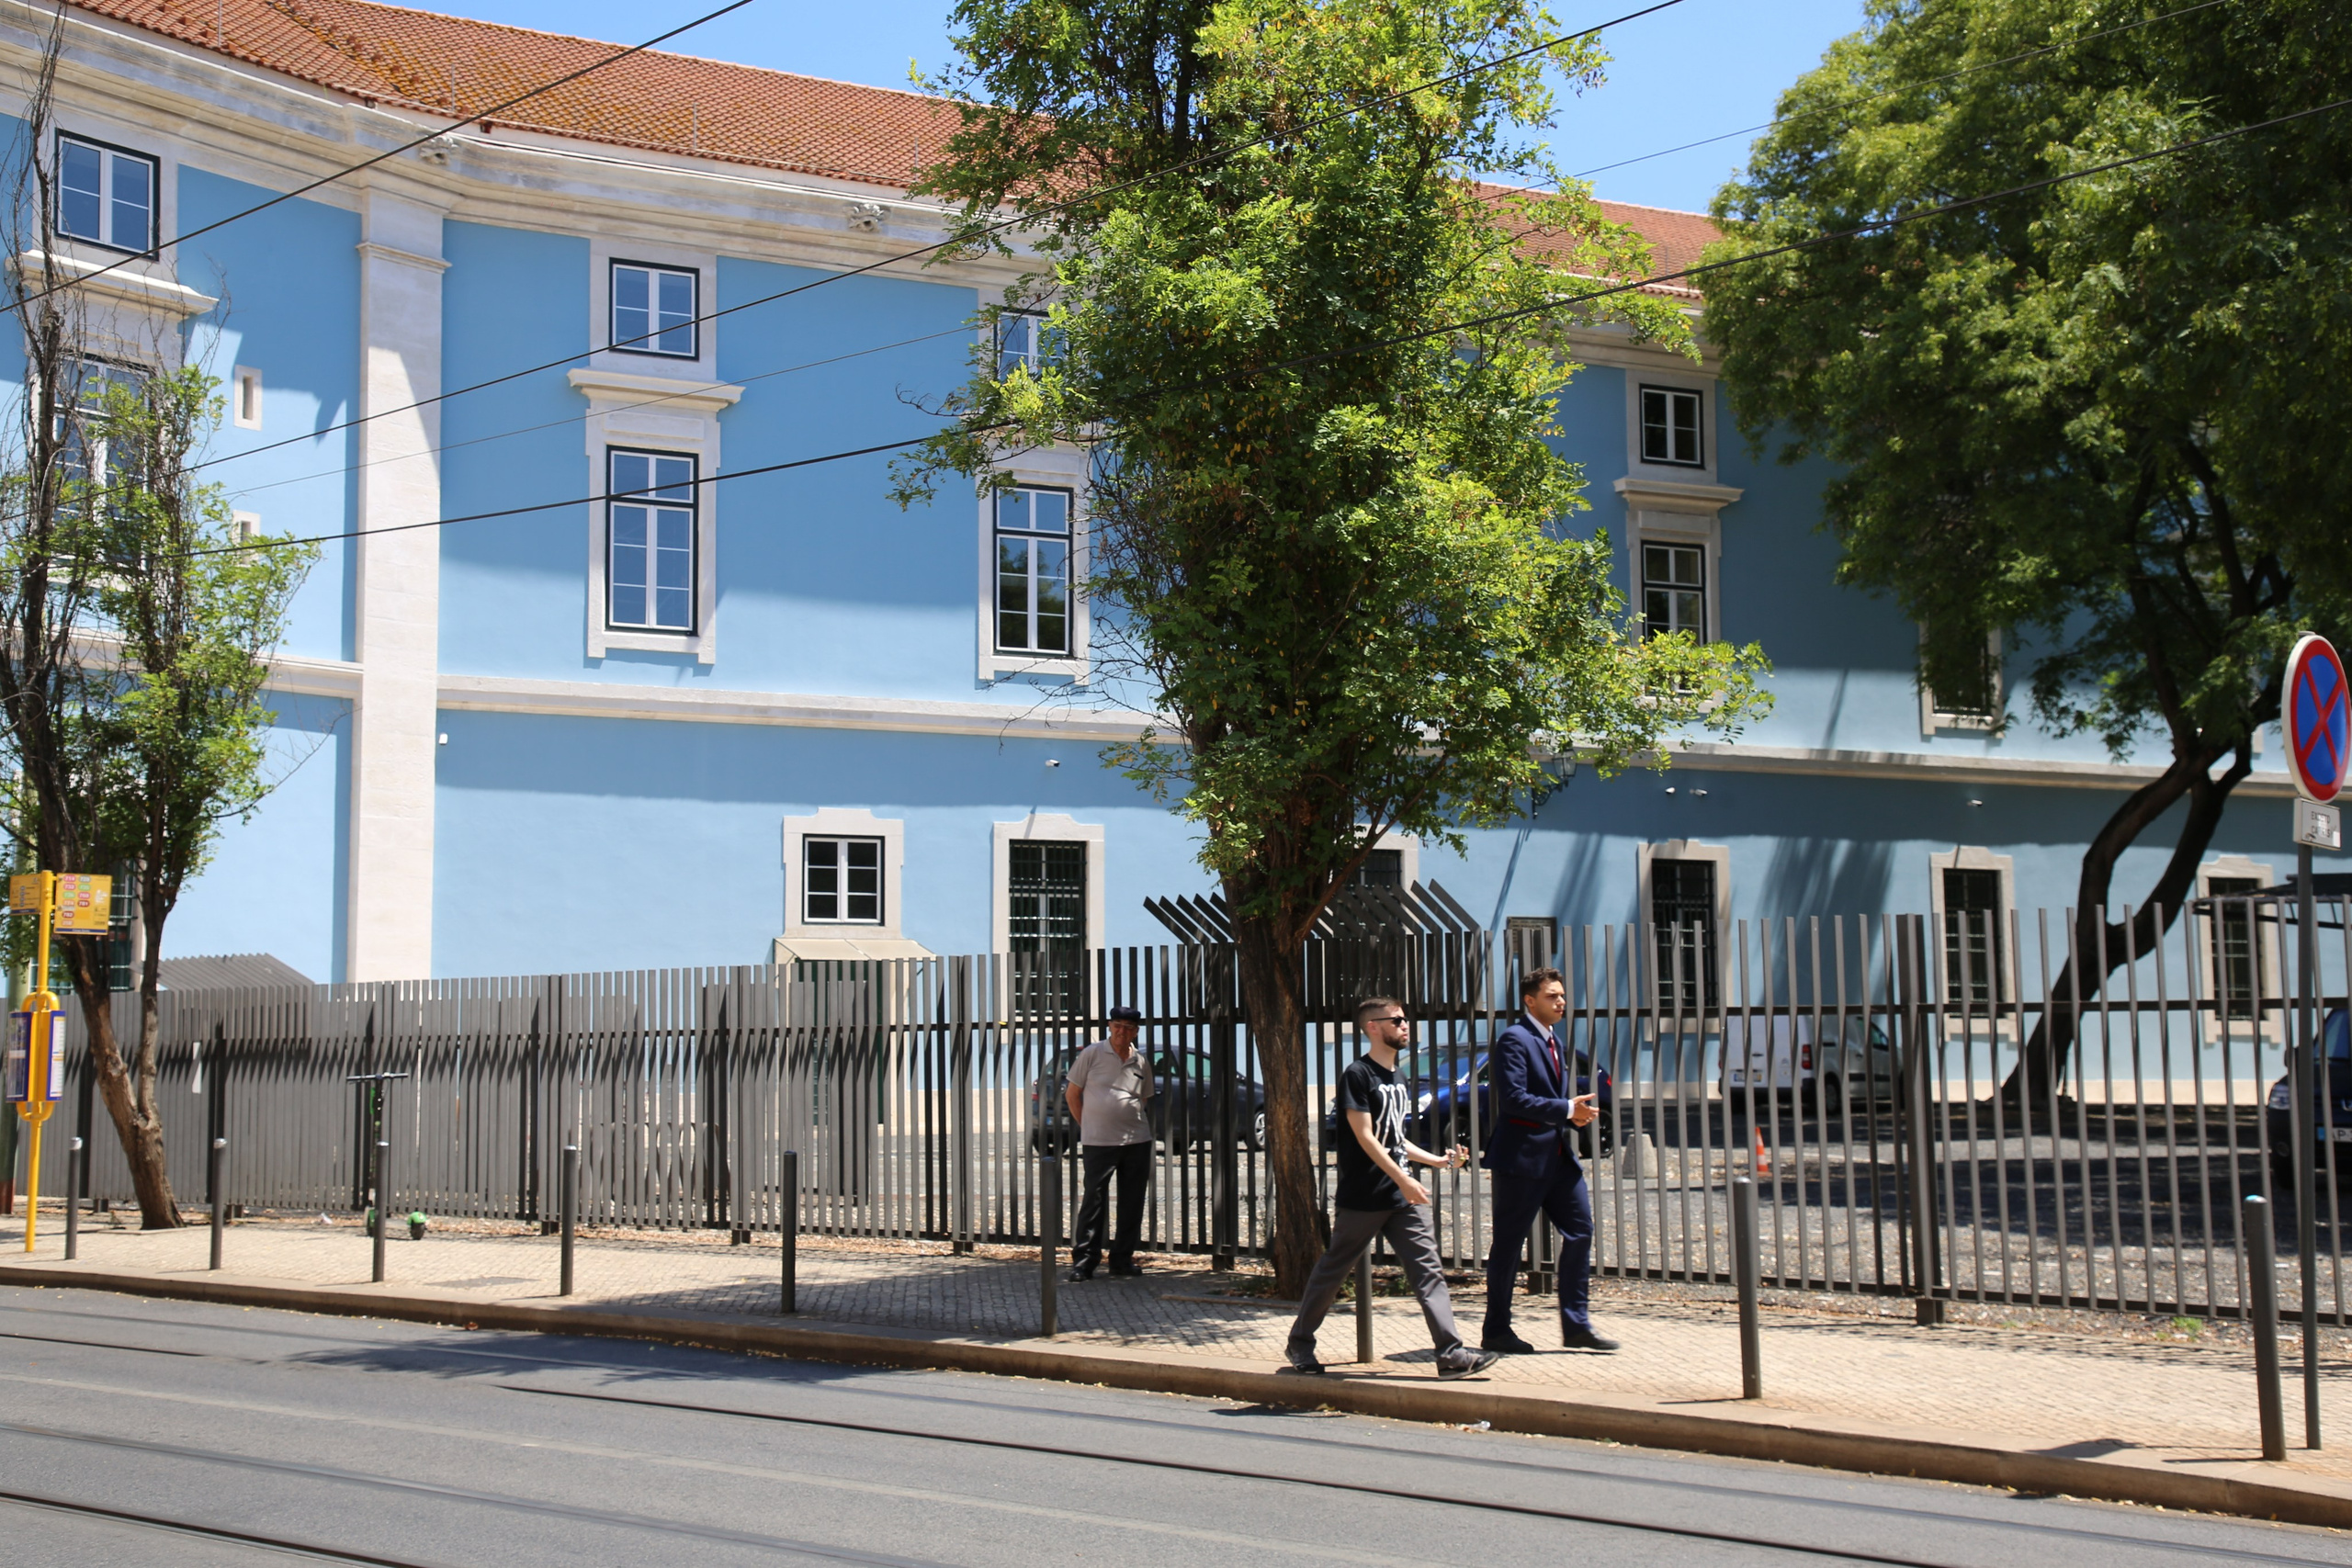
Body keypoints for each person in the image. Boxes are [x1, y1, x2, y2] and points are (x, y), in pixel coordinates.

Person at [1283, 998, 1498, 1380]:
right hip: (1364, 1196)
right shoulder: (1358, 1075)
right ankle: (1300, 1342)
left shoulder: (1397, 1076)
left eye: (1405, 1020)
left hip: (1402, 1197)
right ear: (1373, 1027)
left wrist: (1438, 1161)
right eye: (1397, 1020)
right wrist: (1403, 1177)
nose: (1405, 1025)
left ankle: (1451, 1355)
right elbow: (1365, 1136)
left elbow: (1395, 1139)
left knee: (1429, 1271)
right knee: (1333, 1271)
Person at [1481, 965, 1615, 1353]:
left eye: (1561, 995)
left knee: (1580, 1230)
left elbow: (1549, 1099)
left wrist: (1572, 1115)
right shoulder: (1515, 1039)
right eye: (1552, 996)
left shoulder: (1554, 1040)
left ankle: (1576, 1325)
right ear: (1530, 1000)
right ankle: (1496, 1331)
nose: (1561, 1002)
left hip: (1557, 1158)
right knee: (1509, 1246)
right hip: (1521, 1159)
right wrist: (1566, 1109)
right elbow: (1514, 1099)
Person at [1065, 1003, 1154, 1280]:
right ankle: (1084, 1262)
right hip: (1098, 1142)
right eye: (1117, 1026)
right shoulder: (1091, 1054)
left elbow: (1144, 1098)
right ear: (1109, 1027)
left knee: (1132, 1202)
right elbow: (1072, 1094)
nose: (1121, 1032)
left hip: (1136, 1141)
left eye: (1128, 1028)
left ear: (1135, 1032)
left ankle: (1122, 1260)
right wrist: (1089, 1125)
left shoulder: (1140, 1061)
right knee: (1094, 1200)